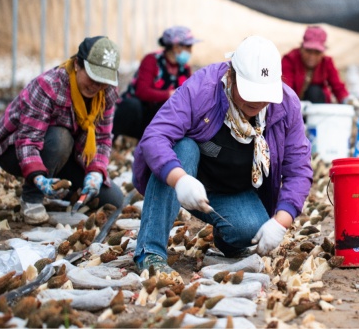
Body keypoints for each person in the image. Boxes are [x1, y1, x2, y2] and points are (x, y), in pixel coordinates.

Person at [131, 35, 313, 275]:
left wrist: (281, 221)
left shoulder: (286, 105)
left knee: (251, 230)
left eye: (264, 93)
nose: (258, 101)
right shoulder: (203, 88)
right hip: (189, 175)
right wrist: (180, 179)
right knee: (183, 147)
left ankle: (227, 239)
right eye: (250, 92)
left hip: (234, 189)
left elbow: (299, 168)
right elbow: (156, 136)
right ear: (231, 76)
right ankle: (151, 251)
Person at [0, 36, 125, 224]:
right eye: (93, 77)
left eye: (103, 81)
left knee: (114, 200)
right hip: (15, 150)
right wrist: (37, 177)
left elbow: (102, 137)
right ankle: (32, 198)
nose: (96, 86)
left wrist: (95, 172)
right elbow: (28, 139)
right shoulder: (49, 86)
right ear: (77, 64)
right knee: (61, 138)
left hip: (66, 153)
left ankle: (67, 191)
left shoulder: (107, 92)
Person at [113, 26, 201, 140]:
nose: (190, 51)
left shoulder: (185, 69)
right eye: (188, 46)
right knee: (133, 106)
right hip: (138, 112)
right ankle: (113, 139)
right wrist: (169, 95)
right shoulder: (152, 60)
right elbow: (142, 91)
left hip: (156, 117)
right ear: (175, 47)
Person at [281, 25, 351, 104]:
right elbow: (286, 87)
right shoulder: (290, 59)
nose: (312, 56)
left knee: (314, 91)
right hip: (292, 105)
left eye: (317, 52)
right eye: (308, 51)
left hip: (317, 106)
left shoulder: (327, 62)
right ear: (301, 48)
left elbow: (337, 86)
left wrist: (347, 100)